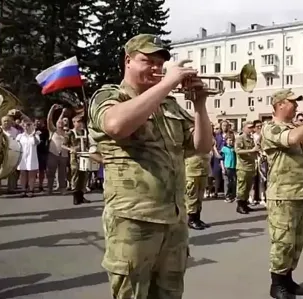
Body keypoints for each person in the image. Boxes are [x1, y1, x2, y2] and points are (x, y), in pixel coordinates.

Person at [88, 34, 212, 299]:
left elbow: (201, 146)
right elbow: (116, 126)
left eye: (160, 63)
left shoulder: (168, 104)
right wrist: (168, 82)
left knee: (170, 293)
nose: (156, 68)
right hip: (134, 222)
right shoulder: (109, 95)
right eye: (148, 61)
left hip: (174, 221)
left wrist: (200, 105)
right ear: (128, 61)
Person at [260, 88, 303, 299]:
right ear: (279, 105)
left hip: (300, 192)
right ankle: (277, 284)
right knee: (283, 241)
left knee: (296, 241)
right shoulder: (270, 128)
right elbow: (291, 139)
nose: (296, 106)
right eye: (292, 102)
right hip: (282, 194)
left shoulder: (295, 127)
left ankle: (288, 278)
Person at [64, 114, 90, 205]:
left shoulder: (86, 132)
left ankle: (81, 196)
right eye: (77, 122)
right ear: (73, 123)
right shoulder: (70, 133)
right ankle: (75, 196)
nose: (80, 123)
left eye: (81, 122)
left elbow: (89, 143)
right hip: (75, 157)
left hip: (85, 156)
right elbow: (63, 144)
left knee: (84, 175)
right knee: (75, 175)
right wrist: (71, 149)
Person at [234, 120, 258, 214]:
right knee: (242, 187)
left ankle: (244, 204)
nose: (251, 129)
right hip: (243, 167)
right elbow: (237, 150)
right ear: (244, 128)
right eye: (249, 127)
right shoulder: (240, 138)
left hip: (250, 166)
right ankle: (240, 205)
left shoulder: (251, 138)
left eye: (252, 127)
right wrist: (252, 150)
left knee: (248, 187)